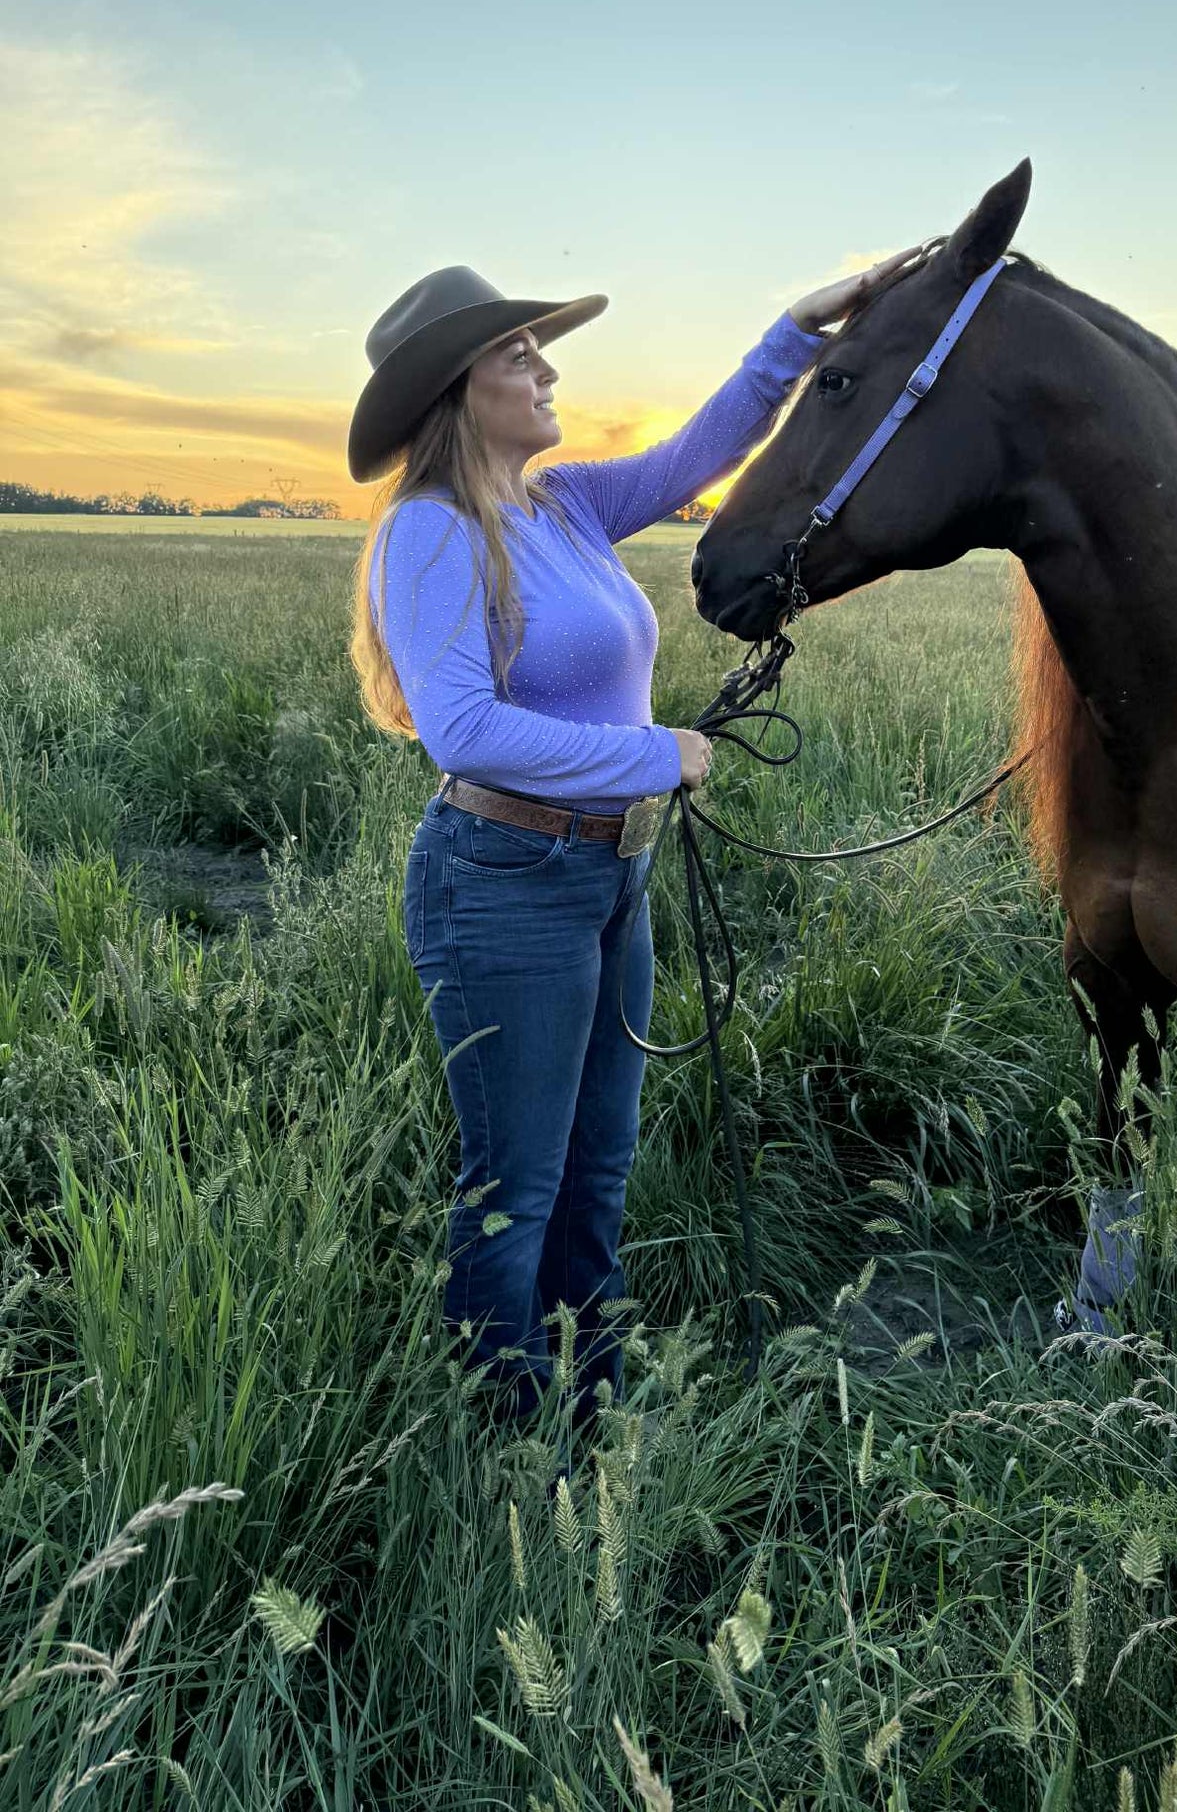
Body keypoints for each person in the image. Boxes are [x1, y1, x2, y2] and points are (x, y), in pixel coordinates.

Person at [346, 245, 922, 1437]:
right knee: (517, 1187)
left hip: (612, 871)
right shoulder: (430, 530)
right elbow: (460, 727)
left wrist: (796, 330)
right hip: (501, 881)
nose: (545, 365)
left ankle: (592, 1405)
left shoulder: (562, 504)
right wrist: (654, 755)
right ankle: (503, 1445)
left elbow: (692, 455)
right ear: (460, 389)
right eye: (517, 351)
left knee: (598, 1168)